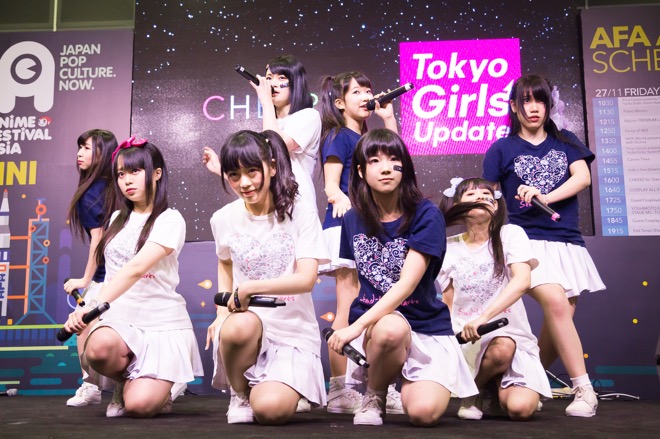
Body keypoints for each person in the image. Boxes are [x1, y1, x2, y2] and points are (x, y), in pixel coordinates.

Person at [326, 129, 477, 426]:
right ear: (361, 171)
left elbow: (407, 285)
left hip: (424, 325)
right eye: (374, 161)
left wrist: (353, 328)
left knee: (424, 414)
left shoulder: (426, 215)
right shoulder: (353, 218)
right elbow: (351, 283)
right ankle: (376, 394)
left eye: (393, 159)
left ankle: (404, 382)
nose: (385, 168)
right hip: (379, 328)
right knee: (391, 328)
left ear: (404, 167)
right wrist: (345, 327)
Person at [482, 74, 605, 417]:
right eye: (526, 101)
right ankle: (584, 389)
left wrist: (545, 196)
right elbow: (487, 195)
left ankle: (523, 382)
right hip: (525, 243)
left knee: (559, 320)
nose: (534, 108)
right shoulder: (501, 149)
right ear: (513, 106)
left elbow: (582, 178)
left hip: (566, 241)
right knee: (556, 302)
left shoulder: (566, 141)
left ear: (549, 105)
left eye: (540, 100)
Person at [63, 137, 204, 418]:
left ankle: (163, 387)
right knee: (97, 349)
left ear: (157, 173)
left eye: (135, 171)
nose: (126, 180)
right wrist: (89, 305)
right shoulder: (116, 218)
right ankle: (123, 382)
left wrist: (93, 305)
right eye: (120, 174)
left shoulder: (170, 219)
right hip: (120, 322)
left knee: (140, 407)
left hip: (160, 325)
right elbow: (113, 271)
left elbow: (136, 268)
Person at [206, 130, 329, 425]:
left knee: (271, 411)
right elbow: (225, 262)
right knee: (239, 326)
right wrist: (222, 314)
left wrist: (249, 288)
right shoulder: (223, 218)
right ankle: (240, 393)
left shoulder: (300, 211)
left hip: (292, 332)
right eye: (234, 175)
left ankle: (277, 390)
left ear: (272, 167)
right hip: (246, 327)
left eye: (252, 171)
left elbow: (306, 279)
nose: (244, 183)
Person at [317, 72, 402, 414]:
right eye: (357, 91)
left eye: (369, 90)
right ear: (340, 102)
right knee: (348, 306)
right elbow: (331, 185)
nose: (367, 95)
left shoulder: (365, 137)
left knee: (374, 306)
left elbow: (398, 160)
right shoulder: (339, 135)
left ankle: (375, 385)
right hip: (346, 225)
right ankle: (340, 389)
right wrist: (341, 200)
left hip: (370, 226)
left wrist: (388, 118)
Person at [438, 177, 552, 421]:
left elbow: (522, 280)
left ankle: (487, 384)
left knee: (521, 409)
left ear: (496, 205)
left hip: (510, 334)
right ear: (458, 205)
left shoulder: (511, 234)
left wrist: (484, 317)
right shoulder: (448, 246)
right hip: (469, 338)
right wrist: (449, 340)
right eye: (471, 194)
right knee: (501, 350)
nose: (480, 197)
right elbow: (447, 301)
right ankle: (474, 391)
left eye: (486, 194)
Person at [203, 54, 320, 210]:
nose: (272, 84)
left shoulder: (309, 116)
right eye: (269, 78)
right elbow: (262, 173)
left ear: (296, 82)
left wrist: (266, 102)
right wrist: (222, 170)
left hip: (298, 206)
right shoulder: (271, 123)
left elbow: (276, 146)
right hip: (270, 206)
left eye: (281, 78)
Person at [64, 129, 118, 407]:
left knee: (83, 322)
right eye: (80, 147)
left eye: (87, 148)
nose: (79, 153)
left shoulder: (93, 192)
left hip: (112, 274)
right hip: (125, 271)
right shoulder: (114, 186)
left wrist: (86, 279)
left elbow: (98, 238)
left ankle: (90, 385)